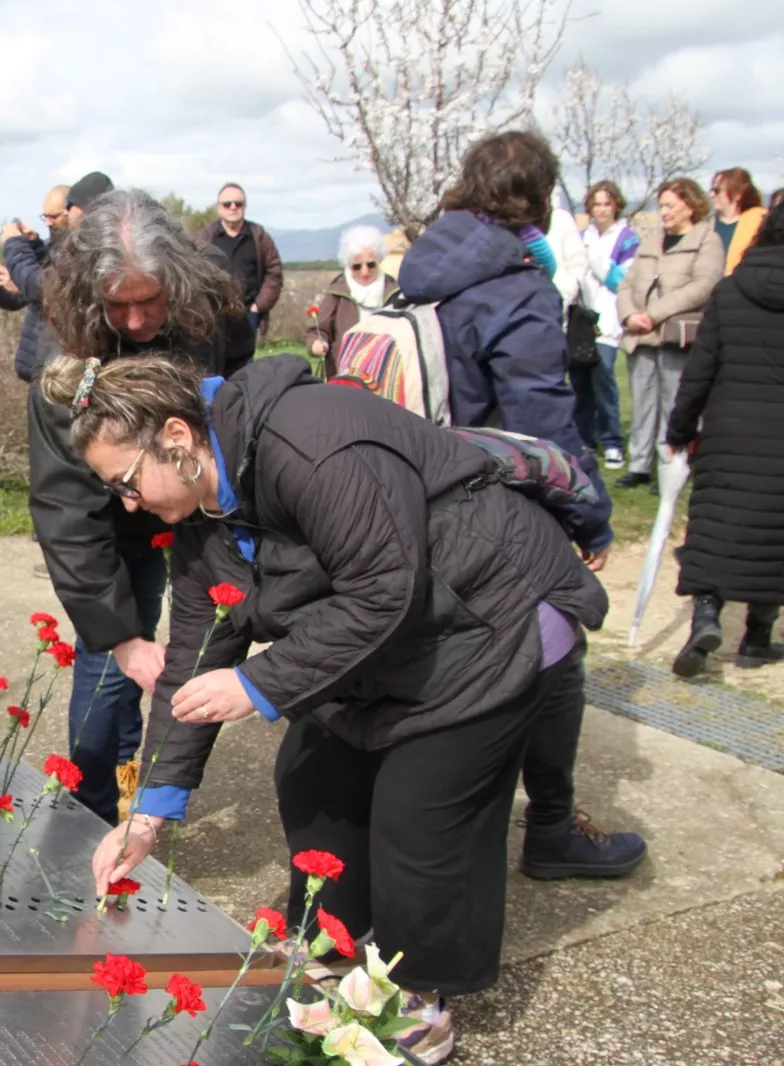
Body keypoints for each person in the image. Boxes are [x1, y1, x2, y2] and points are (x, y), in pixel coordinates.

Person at [60, 352, 607, 1066]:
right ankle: (332, 949)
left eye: (128, 483)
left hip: (484, 618)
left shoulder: (311, 441)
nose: (129, 504)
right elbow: (196, 654)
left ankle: (414, 998)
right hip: (382, 636)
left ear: (176, 436)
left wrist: (258, 684)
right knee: (312, 781)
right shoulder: (203, 514)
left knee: (422, 816)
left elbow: (385, 589)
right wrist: (150, 812)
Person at [397, 130, 645, 880]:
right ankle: (552, 829)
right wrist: (590, 518)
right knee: (557, 649)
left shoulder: (417, 273)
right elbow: (544, 429)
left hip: (415, 493)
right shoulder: (514, 287)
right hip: (496, 506)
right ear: (539, 199)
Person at [33, 188, 252, 825]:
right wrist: (121, 634)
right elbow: (66, 509)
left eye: (149, 300)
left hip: (197, 498)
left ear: (178, 283)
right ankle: (93, 813)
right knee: (111, 657)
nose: (134, 321)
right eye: (118, 305)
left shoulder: (213, 311)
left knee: (191, 645)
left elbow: (232, 397)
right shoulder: (67, 361)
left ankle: (146, 788)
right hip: (111, 521)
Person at [665, 201, 784, 677]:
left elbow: (700, 371)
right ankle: (758, 635)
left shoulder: (730, 291)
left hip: (728, 429)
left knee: (716, 525)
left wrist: (679, 429)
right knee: (775, 535)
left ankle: (706, 617)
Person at [616, 178, 725, 491]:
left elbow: (703, 286)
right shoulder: (651, 242)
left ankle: (670, 465)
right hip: (641, 335)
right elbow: (627, 283)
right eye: (660, 205)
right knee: (642, 402)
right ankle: (638, 466)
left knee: (673, 403)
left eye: (669, 206)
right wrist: (629, 314)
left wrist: (656, 314)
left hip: (677, 337)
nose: (662, 212)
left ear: (689, 205)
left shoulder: (707, 240)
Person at [576, 181, 640, 470]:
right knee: (580, 383)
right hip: (581, 321)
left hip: (608, 320)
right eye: (596, 203)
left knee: (604, 382)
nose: (601, 209)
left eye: (606, 203)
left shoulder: (627, 239)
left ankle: (612, 441)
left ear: (616, 205)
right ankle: (584, 439)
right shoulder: (581, 236)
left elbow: (623, 281)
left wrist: (598, 261)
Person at [0, 184, 70, 381]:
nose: (48, 223)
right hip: (36, 370)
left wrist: (15, 244)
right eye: (45, 216)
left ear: (71, 212)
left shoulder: (78, 256)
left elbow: (38, 288)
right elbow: (18, 300)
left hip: (58, 371)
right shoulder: (53, 250)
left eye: (54, 217)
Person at [305, 224, 397, 378]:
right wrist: (317, 344)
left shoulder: (393, 291)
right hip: (345, 373)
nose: (365, 271)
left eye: (371, 264)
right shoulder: (337, 291)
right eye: (357, 266)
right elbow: (319, 330)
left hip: (384, 372)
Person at [196, 183, 284, 335]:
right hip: (214, 316)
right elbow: (194, 271)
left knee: (246, 359)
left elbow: (274, 272)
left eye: (238, 203)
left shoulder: (259, 236)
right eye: (227, 204)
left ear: (245, 206)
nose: (233, 207)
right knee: (213, 358)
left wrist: (259, 306)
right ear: (219, 208)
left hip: (248, 314)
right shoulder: (206, 237)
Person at [710, 168, 767, 276]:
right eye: (711, 190)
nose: (712, 195)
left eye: (717, 191)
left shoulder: (762, 224)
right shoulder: (707, 225)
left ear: (737, 194)